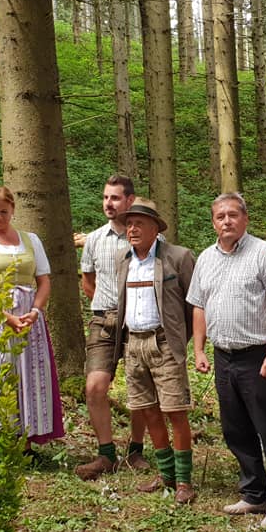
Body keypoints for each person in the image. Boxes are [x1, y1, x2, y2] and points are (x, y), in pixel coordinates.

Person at [187, 193, 266, 528]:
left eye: (233, 215)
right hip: (224, 357)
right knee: (235, 429)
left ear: (245, 218)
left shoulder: (265, 254)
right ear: (213, 222)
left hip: (259, 357)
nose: (226, 221)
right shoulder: (205, 258)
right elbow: (199, 305)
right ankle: (254, 492)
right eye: (220, 216)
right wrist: (200, 349)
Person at [0, 186, 65, 451]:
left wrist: (36, 310)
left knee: (29, 374)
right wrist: (4, 315)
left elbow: (43, 281)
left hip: (30, 317)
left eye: (4, 212)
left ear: (13, 210)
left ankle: (26, 440)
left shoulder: (31, 240)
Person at [113, 198, 196, 504]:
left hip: (165, 344)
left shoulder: (178, 257)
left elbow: (194, 304)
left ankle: (184, 481)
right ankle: (166, 475)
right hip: (134, 344)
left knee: (175, 411)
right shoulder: (125, 260)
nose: (132, 229)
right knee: (148, 410)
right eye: (129, 224)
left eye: (139, 223)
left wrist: (182, 341)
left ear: (154, 228)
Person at [76, 175, 149, 479]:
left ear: (130, 201)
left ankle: (136, 451)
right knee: (94, 387)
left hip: (139, 320)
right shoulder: (93, 239)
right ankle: (105, 454)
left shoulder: (147, 238)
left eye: (115, 198)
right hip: (102, 320)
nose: (109, 203)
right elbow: (87, 282)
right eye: (106, 197)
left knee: (140, 387)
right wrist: (107, 305)